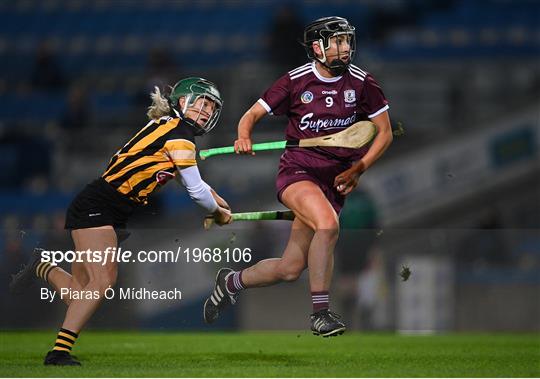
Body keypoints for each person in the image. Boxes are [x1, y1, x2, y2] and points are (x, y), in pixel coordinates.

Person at [9, 77, 232, 365]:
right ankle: (59, 353)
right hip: (99, 207)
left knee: (80, 294)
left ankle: (42, 266)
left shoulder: (172, 129)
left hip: (106, 209)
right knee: (102, 282)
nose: (206, 111)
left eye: (211, 107)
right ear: (183, 102)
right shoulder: (180, 136)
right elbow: (196, 191)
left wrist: (219, 203)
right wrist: (215, 210)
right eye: (202, 104)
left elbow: (189, 181)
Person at [202, 17, 393, 337]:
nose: (346, 48)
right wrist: (243, 135)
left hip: (335, 183)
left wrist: (359, 167)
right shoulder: (295, 81)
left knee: (290, 268)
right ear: (317, 47)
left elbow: (384, 134)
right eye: (338, 42)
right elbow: (251, 115)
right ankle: (320, 314)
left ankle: (230, 281)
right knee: (328, 225)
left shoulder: (363, 83)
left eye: (347, 41)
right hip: (298, 173)